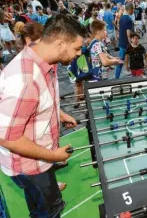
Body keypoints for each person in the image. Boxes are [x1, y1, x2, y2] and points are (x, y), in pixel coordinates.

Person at [0, 14, 87, 217]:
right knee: (48, 211)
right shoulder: (24, 80)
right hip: (31, 166)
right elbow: (6, 137)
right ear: (59, 44)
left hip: (38, 158)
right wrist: (53, 156)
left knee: (42, 204)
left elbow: (40, 100)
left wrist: (59, 114)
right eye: (76, 48)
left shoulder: (47, 58)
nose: (79, 53)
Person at [115, 2, 134, 79]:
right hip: (126, 43)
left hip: (121, 42)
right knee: (124, 60)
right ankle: (133, 76)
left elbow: (120, 29)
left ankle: (117, 76)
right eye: (133, 9)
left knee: (121, 60)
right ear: (130, 9)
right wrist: (131, 43)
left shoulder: (122, 17)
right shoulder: (129, 19)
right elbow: (128, 33)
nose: (133, 11)